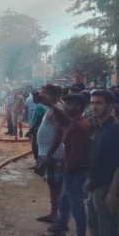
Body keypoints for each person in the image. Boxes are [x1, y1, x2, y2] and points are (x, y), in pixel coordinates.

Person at [81, 89, 119, 236]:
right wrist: (89, 182)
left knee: (108, 231)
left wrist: (112, 194)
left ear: (110, 106)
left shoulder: (117, 130)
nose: (94, 107)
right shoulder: (100, 128)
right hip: (96, 184)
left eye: (98, 103)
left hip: (107, 187)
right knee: (95, 226)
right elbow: (98, 159)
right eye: (92, 103)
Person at [55, 93, 91, 236]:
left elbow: (76, 154)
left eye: (69, 105)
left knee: (77, 207)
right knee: (65, 202)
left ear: (79, 107)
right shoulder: (78, 123)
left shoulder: (77, 126)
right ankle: (60, 230)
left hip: (74, 173)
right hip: (73, 171)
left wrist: (68, 168)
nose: (66, 108)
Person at [35, 84, 66, 225]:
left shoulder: (57, 109)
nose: (40, 96)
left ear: (50, 95)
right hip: (50, 154)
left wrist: (49, 155)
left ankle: (57, 217)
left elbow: (60, 134)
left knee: (55, 186)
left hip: (54, 156)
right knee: (53, 185)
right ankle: (55, 214)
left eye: (43, 93)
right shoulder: (53, 109)